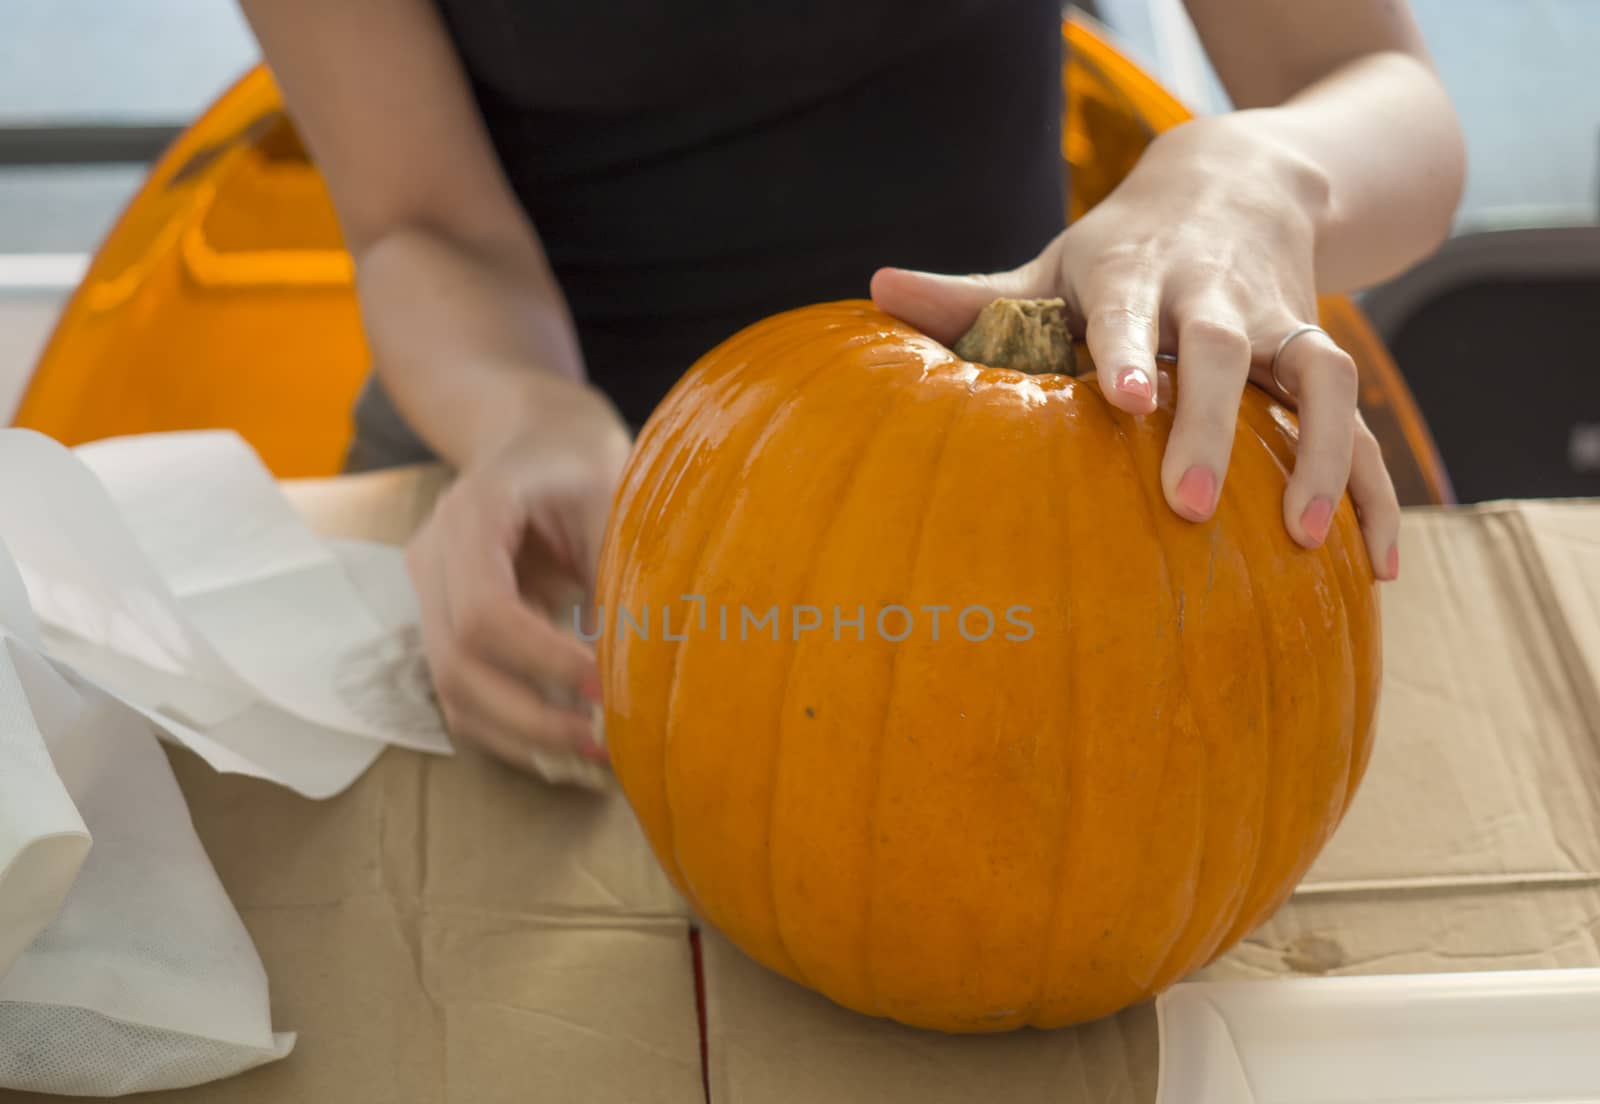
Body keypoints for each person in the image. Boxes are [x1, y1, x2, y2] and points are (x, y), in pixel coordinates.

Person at [239, 0, 1465, 776]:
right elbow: (417, 221)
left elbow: (1375, 81)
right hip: (547, 484)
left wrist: (1253, 179)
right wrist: (524, 420)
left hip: (1016, 468)